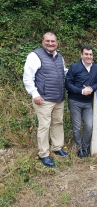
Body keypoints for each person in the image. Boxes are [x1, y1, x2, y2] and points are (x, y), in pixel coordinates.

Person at [23, 32, 68, 167]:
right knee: (44, 126)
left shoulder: (59, 57)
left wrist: (77, 73)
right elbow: (27, 76)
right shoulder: (35, 56)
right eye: (47, 41)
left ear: (57, 43)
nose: (50, 43)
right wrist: (34, 94)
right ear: (43, 42)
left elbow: (64, 72)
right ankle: (44, 154)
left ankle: (57, 147)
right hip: (43, 99)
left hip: (59, 98)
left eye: (53, 41)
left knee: (58, 123)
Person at [65, 45, 97, 158]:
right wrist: (81, 91)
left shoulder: (96, 68)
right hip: (75, 101)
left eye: (90, 54)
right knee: (77, 127)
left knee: (89, 126)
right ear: (81, 55)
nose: (88, 56)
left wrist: (91, 89)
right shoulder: (74, 67)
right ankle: (79, 149)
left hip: (88, 103)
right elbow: (68, 84)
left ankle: (85, 147)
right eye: (86, 54)